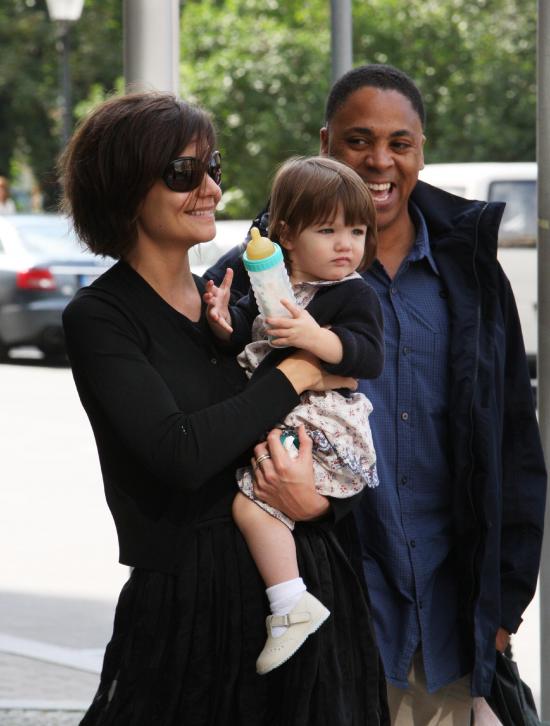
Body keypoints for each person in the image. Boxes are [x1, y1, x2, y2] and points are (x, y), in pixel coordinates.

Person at [205, 64, 547, 724]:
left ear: (421, 150)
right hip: (329, 626)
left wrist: (502, 613)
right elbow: (209, 436)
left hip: (448, 638)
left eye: (400, 143)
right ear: (326, 144)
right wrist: (308, 506)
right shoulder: (255, 276)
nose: (379, 161)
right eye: (359, 140)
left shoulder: (469, 276)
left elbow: (513, 444)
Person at [59, 91, 388, 725]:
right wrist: (300, 370)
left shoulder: (233, 296)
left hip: (305, 593)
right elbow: (180, 453)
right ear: (125, 185)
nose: (211, 187)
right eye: (184, 172)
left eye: (213, 166)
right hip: (191, 609)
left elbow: (334, 430)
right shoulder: (102, 317)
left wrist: (319, 502)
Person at [204, 155, 384, 675]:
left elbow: (368, 357)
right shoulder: (267, 283)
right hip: (279, 416)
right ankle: (289, 602)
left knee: (251, 505)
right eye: (328, 231)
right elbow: (242, 336)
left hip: (322, 425)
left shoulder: (352, 292)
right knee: (256, 501)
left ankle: (289, 603)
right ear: (285, 233)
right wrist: (221, 319)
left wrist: (316, 337)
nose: (346, 244)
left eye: (357, 231)